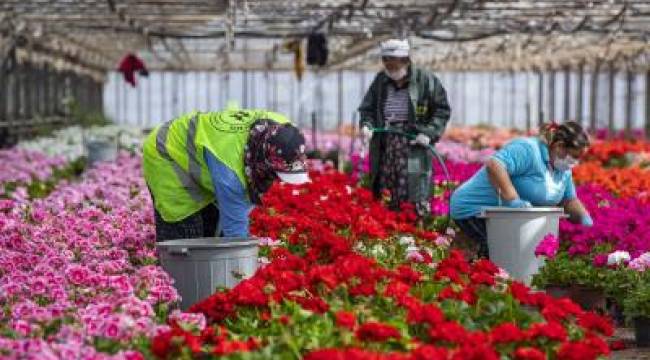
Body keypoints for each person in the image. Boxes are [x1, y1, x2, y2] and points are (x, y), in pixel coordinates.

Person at [143, 108, 309, 241]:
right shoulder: (231, 172)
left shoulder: (285, 130)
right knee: (186, 238)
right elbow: (235, 233)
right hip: (167, 152)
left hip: (201, 149)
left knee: (210, 227)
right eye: (277, 173)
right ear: (264, 161)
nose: (278, 180)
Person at [450, 122, 593, 259]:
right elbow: (494, 166)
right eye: (575, 156)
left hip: (507, 218)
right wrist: (513, 201)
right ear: (559, 146)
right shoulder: (528, 149)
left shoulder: (563, 170)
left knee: (511, 257)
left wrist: (586, 221)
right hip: (474, 209)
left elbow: (569, 200)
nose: (576, 162)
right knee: (501, 256)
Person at [358, 39, 451, 218]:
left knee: (414, 190)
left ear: (406, 60)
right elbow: (367, 108)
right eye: (387, 64)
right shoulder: (381, 80)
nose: (391, 69)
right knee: (386, 190)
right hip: (386, 144)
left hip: (414, 144)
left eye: (395, 64)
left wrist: (428, 133)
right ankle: (389, 229)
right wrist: (367, 125)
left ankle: (415, 228)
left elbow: (441, 110)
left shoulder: (425, 80)